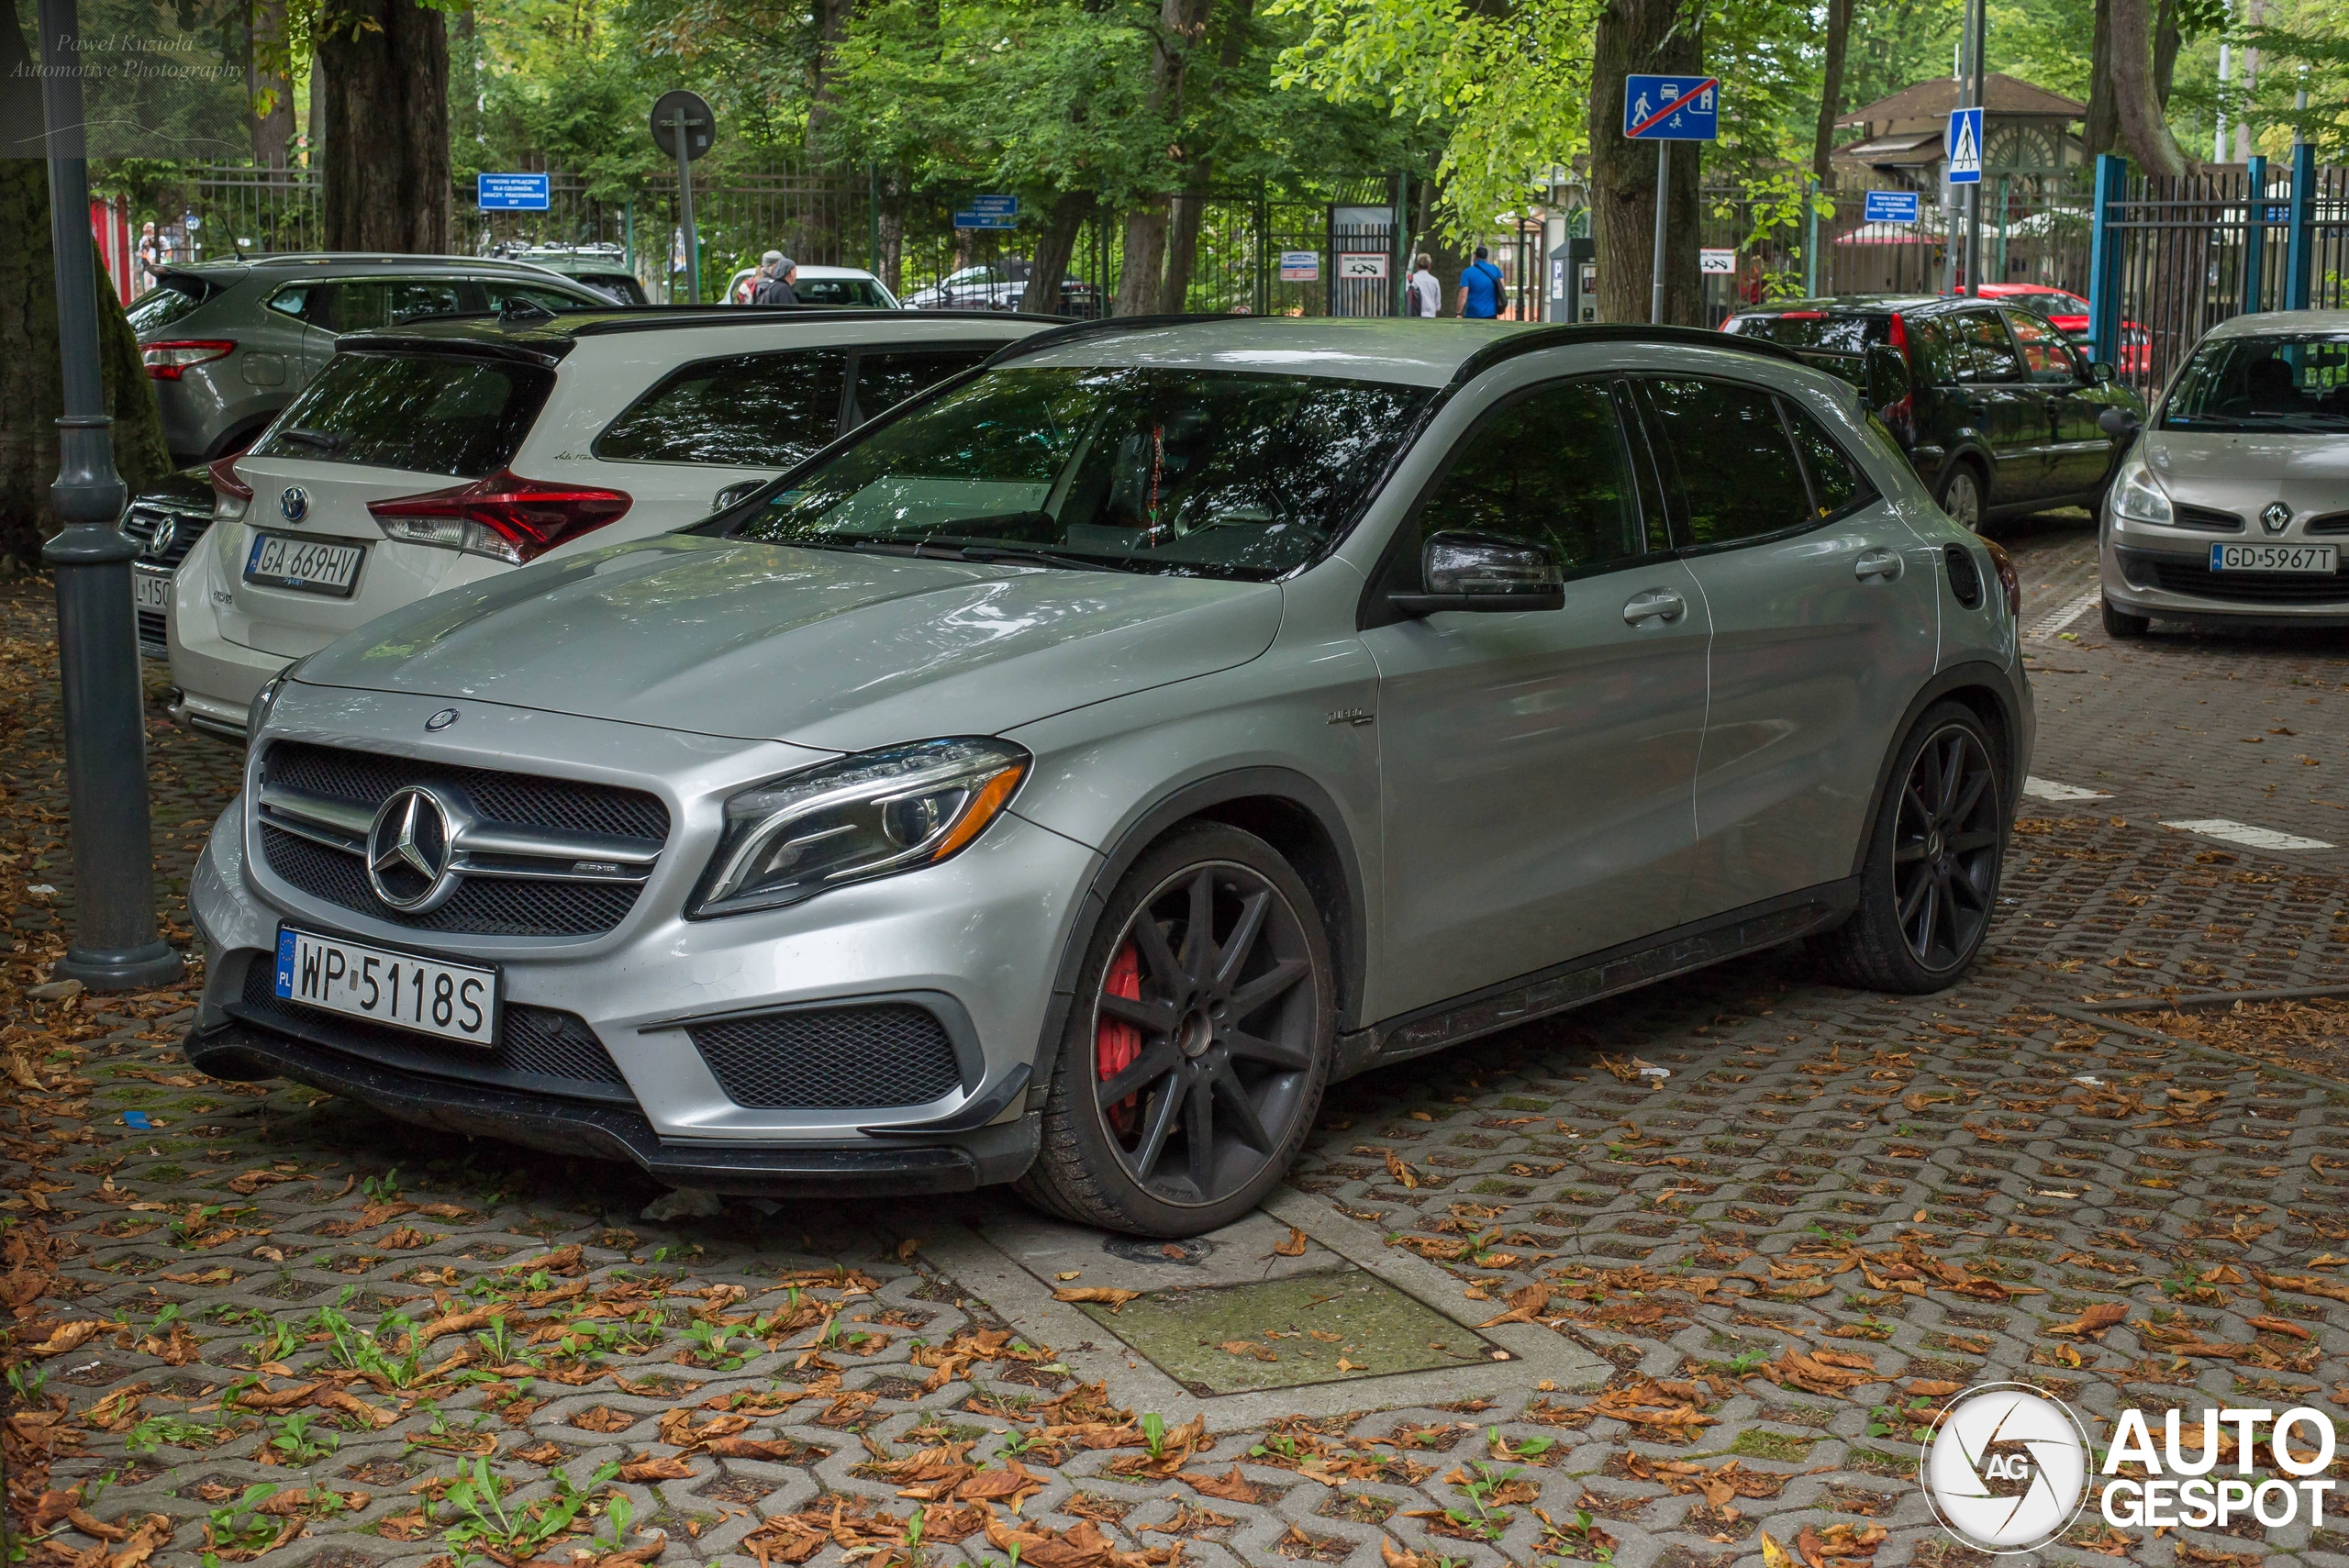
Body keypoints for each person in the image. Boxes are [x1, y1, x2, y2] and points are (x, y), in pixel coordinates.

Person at [1456, 246, 1505, 319]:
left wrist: (1458, 312)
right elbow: (1502, 287)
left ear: (1475, 256)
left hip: (1472, 314)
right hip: (1491, 313)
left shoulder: (1467, 272)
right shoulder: (1495, 270)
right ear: (1486, 257)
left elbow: (1463, 294)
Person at [1408, 252, 1441, 318]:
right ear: (1429, 266)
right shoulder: (1434, 281)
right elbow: (1438, 304)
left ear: (1417, 265)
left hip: (1414, 315)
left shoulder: (1411, 279)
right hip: (1430, 315)